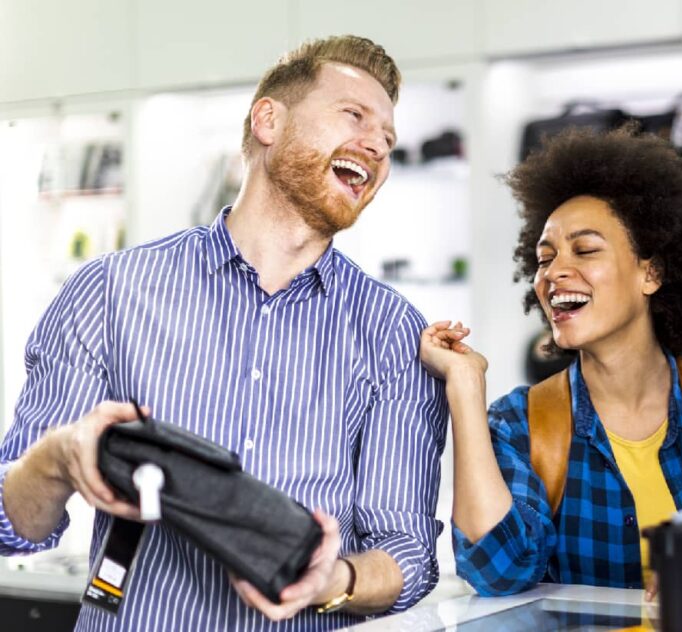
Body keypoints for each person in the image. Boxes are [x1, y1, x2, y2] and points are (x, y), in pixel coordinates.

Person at [0, 35, 447, 629]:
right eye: (354, 116)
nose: (376, 145)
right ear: (268, 119)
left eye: (388, 140)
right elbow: (12, 526)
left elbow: (409, 553)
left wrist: (333, 579)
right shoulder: (111, 292)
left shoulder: (394, 332)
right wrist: (58, 458)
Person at [419, 127, 682, 597]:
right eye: (544, 258)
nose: (554, 272)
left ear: (651, 272)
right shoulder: (518, 425)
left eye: (585, 249)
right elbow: (497, 572)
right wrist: (465, 387)